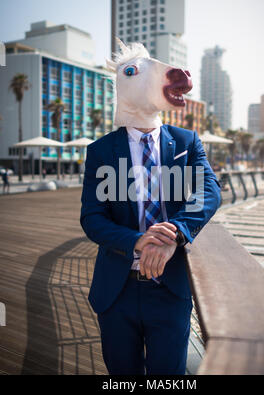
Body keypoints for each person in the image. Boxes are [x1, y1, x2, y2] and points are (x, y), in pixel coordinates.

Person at [80, 40, 221, 375]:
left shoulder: (186, 141)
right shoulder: (101, 151)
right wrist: (137, 240)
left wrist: (176, 232)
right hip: (117, 291)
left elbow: (209, 190)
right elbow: (92, 218)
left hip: (169, 289)